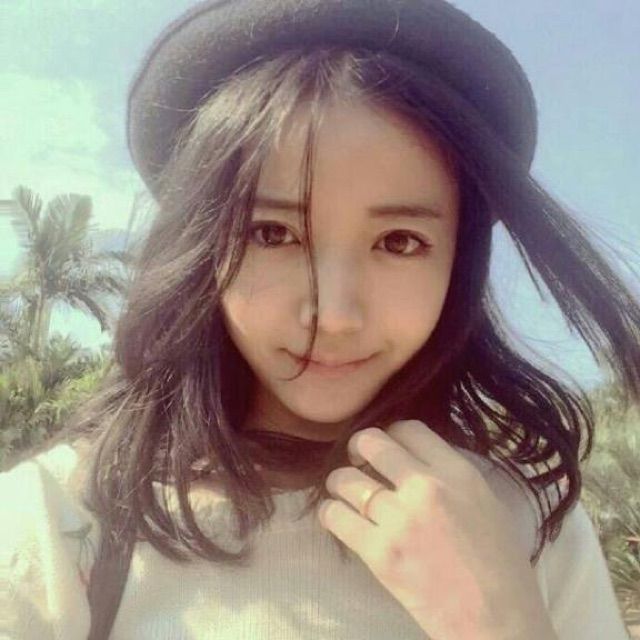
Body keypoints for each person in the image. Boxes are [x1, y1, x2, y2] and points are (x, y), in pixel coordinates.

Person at [1, 1, 638, 638]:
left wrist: (505, 621)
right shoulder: (58, 527)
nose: (332, 316)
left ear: (459, 261)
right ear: (202, 247)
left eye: (399, 242)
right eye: (272, 233)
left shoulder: (526, 523)